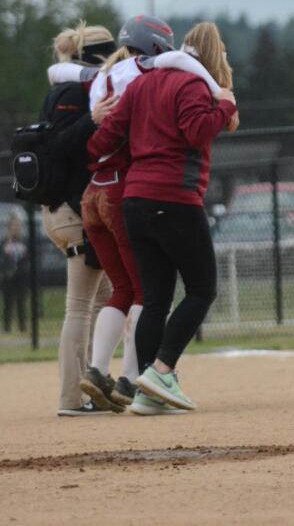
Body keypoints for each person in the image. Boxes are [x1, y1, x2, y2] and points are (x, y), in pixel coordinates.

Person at [88, 22, 238, 416]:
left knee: (154, 300)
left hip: (134, 200)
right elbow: (196, 131)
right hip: (174, 197)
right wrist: (224, 104)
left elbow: (101, 142)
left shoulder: (140, 84)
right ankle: (162, 370)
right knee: (202, 289)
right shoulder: (190, 85)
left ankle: (146, 393)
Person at [40, 23, 119, 416]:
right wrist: (93, 119)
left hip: (74, 209)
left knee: (108, 301)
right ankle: (72, 399)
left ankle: (94, 386)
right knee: (79, 307)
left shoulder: (81, 86)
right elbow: (56, 145)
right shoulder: (72, 91)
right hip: (69, 213)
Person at [2, 215, 29, 333]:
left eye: (18, 226)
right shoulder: (4, 243)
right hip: (8, 276)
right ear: (9, 228)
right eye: (13, 226)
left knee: (21, 301)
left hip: (21, 276)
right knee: (8, 302)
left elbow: (29, 258)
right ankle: (7, 327)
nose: (16, 229)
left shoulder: (25, 242)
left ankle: (22, 326)